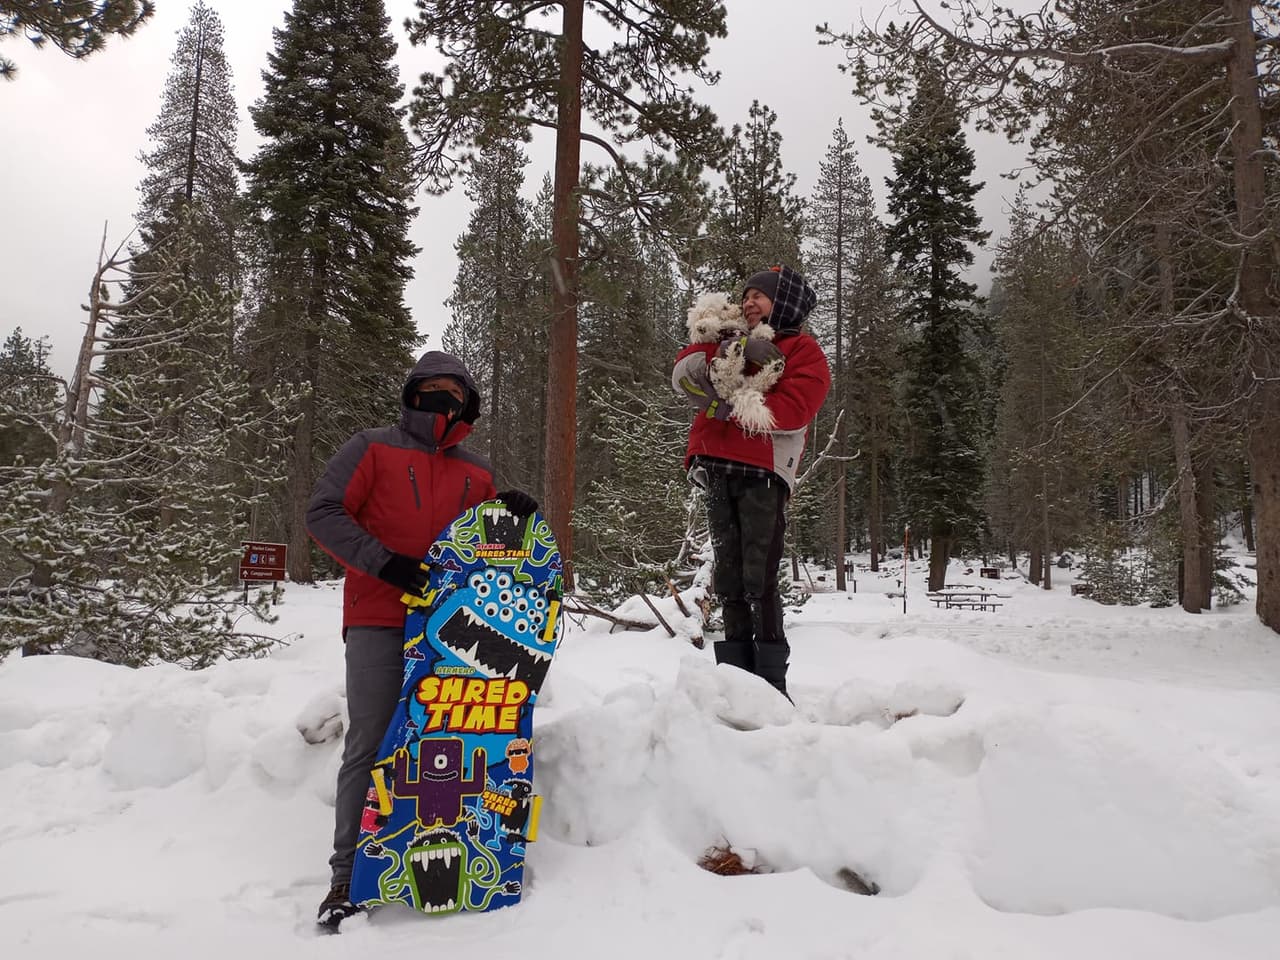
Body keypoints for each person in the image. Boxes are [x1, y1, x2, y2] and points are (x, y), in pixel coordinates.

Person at [305, 350, 538, 927]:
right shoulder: (371, 446)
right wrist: (383, 564)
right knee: (374, 740)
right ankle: (347, 872)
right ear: (411, 392)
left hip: (453, 631)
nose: (442, 399)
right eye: (431, 388)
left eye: (453, 391)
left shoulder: (476, 471)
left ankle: (443, 849)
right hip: (380, 616)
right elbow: (323, 512)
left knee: (453, 743)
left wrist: (512, 516)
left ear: (468, 402)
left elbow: (487, 552)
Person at [671, 265, 831, 699]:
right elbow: (689, 370)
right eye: (746, 296)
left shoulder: (803, 350)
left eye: (759, 295)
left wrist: (733, 404)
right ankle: (736, 683)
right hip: (719, 466)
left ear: (786, 303)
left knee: (758, 577)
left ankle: (771, 686)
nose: (748, 303)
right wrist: (726, 357)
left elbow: (794, 409)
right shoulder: (730, 341)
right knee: (728, 578)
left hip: (763, 471)